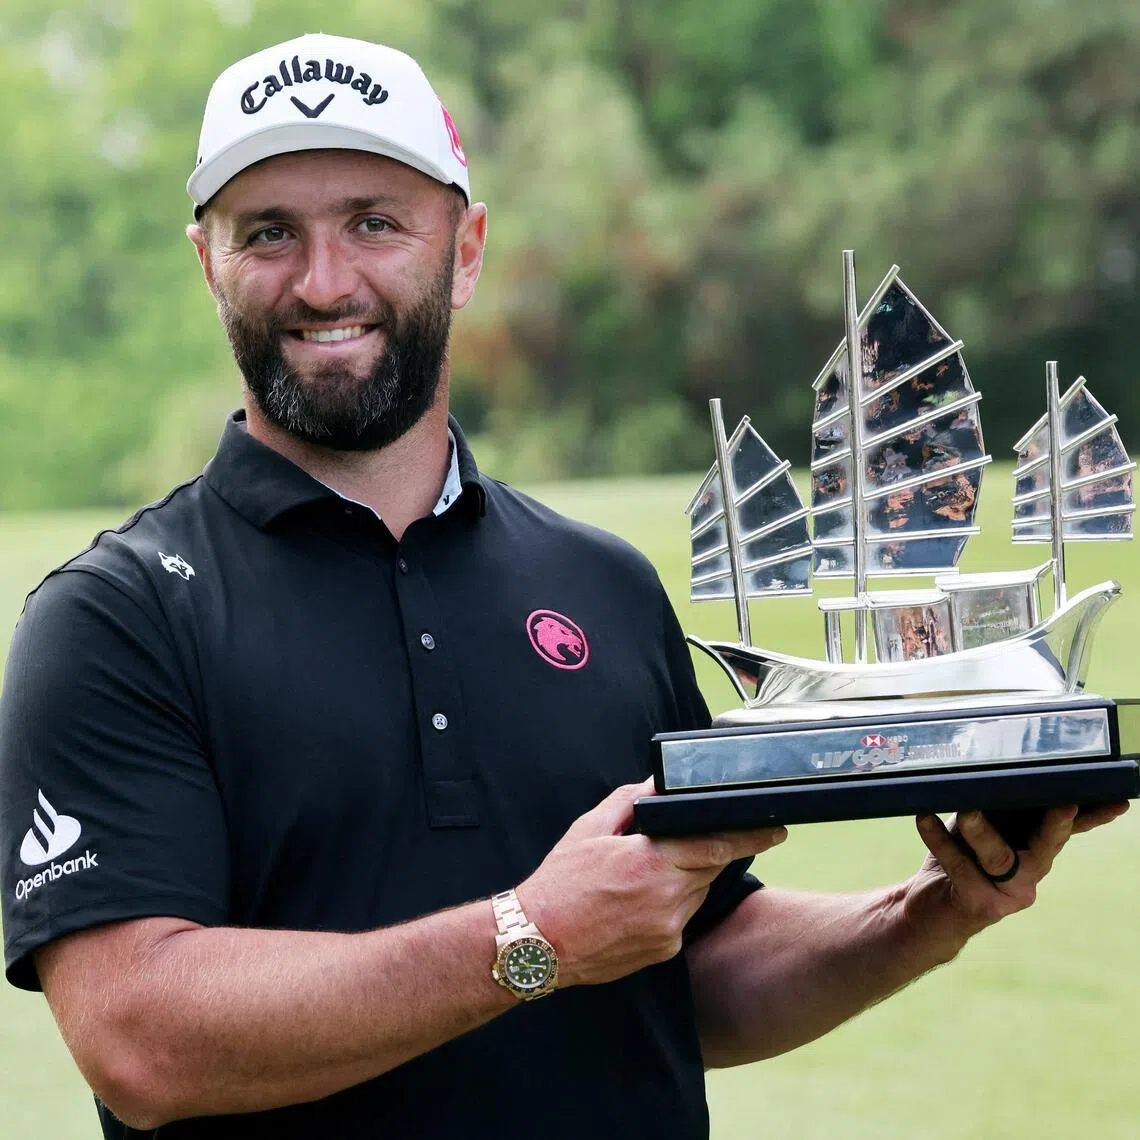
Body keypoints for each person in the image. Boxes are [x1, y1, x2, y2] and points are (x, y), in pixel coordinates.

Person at [0, 33, 1127, 1140]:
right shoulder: (116, 617)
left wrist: (932, 910)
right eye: (269, 233)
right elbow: (140, 1040)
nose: (324, 280)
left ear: (467, 249)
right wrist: (530, 936)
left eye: (375, 223)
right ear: (209, 263)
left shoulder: (602, 584)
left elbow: (687, 969)